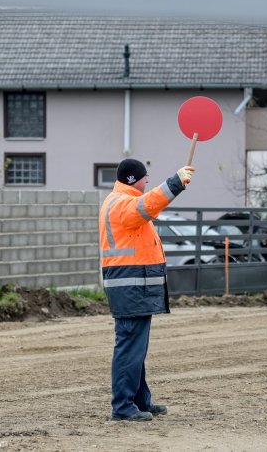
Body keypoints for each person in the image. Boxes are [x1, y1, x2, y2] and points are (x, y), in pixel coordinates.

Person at [98, 158, 194, 421]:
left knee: (135, 349)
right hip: (130, 287)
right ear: (133, 179)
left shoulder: (119, 201)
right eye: (145, 177)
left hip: (133, 287)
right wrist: (175, 182)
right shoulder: (122, 204)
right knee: (130, 348)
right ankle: (123, 407)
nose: (147, 180)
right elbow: (150, 204)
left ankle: (139, 401)